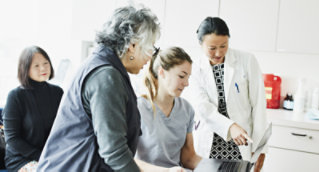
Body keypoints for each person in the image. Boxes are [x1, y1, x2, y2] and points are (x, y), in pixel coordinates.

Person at [37, 6, 182, 172]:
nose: (151, 57)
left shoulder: (101, 65)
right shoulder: (106, 76)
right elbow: (114, 152)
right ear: (133, 46)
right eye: (151, 48)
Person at [187, 17, 268, 172]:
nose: (218, 53)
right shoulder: (195, 68)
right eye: (212, 48)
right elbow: (203, 107)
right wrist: (230, 127)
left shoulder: (247, 61)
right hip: (210, 143)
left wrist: (260, 149)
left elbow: (259, 106)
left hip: (241, 143)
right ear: (200, 44)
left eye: (223, 46)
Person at [135, 47, 202, 170]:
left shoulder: (186, 109)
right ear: (162, 72)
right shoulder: (138, 108)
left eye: (188, 77)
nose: (186, 83)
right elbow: (126, 160)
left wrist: (217, 167)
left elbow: (189, 158)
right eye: (182, 76)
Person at [3, 46, 63, 172]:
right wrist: (42, 156)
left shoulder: (58, 92)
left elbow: (64, 128)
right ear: (25, 69)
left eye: (46, 63)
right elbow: (12, 139)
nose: (43, 68)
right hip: (22, 159)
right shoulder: (16, 96)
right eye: (36, 66)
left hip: (52, 155)